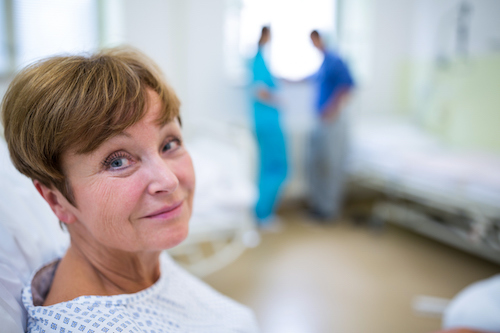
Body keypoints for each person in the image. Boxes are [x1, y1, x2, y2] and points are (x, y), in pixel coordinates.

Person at [1, 47, 259, 332]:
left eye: (169, 144)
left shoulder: (143, 256)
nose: (169, 180)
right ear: (56, 200)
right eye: (118, 161)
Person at [307, 30, 355, 221]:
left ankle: (330, 210)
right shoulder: (323, 64)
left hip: (333, 120)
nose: (313, 45)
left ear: (322, 39)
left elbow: (347, 86)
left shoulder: (336, 60)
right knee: (317, 163)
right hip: (321, 120)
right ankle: (319, 206)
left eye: (314, 40)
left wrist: (332, 108)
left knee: (331, 164)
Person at [250, 26, 288, 227]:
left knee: (271, 167)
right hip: (268, 124)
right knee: (276, 167)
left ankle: (264, 212)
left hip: (266, 122)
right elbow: (259, 91)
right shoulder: (258, 60)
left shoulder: (260, 60)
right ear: (265, 36)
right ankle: (263, 214)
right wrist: (278, 98)